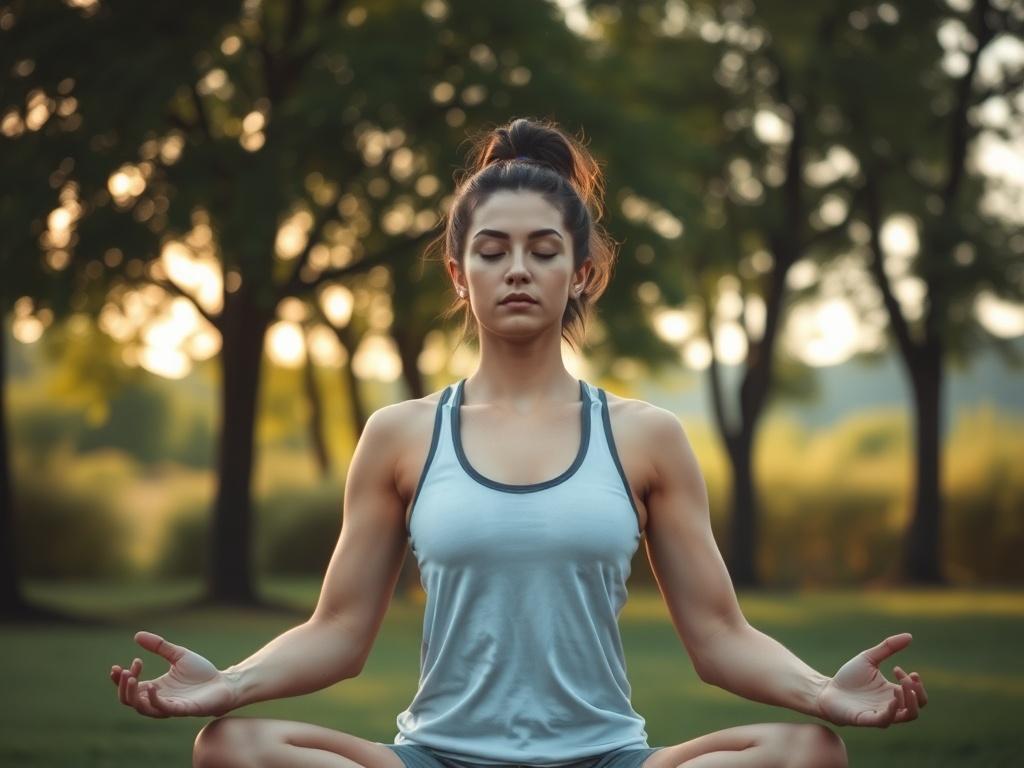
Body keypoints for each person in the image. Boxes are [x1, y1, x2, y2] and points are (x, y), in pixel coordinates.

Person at [110, 117, 928, 768]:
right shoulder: (401, 434)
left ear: (582, 271)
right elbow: (338, 633)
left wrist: (823, 693)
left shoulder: (645, 436)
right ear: (460, 273)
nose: (518, 270)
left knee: (809, 751)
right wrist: (230, 687)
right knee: (231, 747)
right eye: (492, 250)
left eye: (544, 250)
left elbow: (719, 639)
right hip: (436, 757)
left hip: (606, 757)